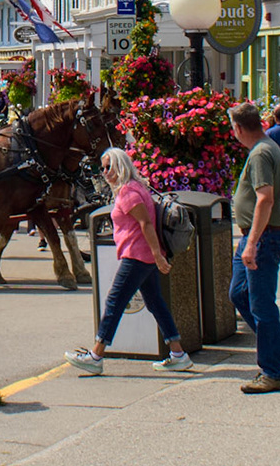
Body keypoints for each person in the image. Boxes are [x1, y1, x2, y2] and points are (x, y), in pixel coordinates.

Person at [65, 148, 193, 376]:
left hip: (136, 255)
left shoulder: (128, 192)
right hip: (142, 255)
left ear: (120, 165)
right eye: (101, 168)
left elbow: (145, 224)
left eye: (108, 167)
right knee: (155, 303)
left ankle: (96, 355)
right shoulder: (136, 188)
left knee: (115, 301)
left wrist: (157, 255)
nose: (104, 172)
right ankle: (178, 354)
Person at [228, 101, 280, 394]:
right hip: (259, 235)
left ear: (238, 128)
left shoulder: (260, 153)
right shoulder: (266, 147)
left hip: (262, 237)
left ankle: (272, 372)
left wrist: (252, 244)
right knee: (239, 293)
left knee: (260, 304)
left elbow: (265, 199)